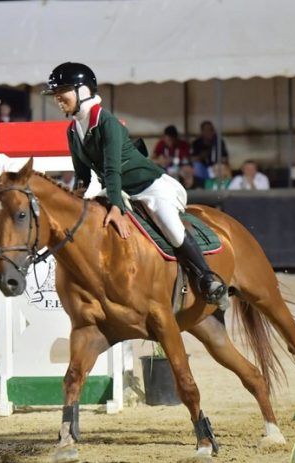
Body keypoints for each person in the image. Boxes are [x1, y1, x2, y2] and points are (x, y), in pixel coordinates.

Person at [43, 62, 226, 305]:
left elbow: (112, 169)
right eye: (55, 93)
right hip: (118, 189)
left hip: (149, 186)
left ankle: (207, 277)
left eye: (62, 91)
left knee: (171, 228)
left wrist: (116, 208)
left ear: (82, 90)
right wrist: (75, 203)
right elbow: (83, 177)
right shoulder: (73, 131)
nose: (57, 97)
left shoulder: (107, 122)